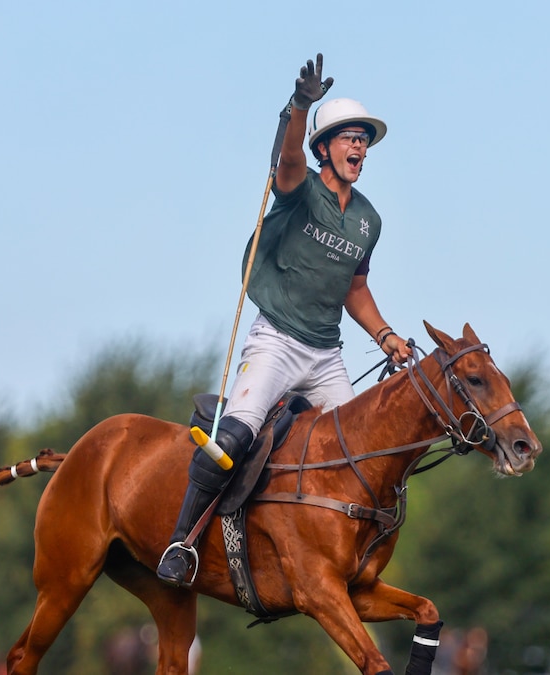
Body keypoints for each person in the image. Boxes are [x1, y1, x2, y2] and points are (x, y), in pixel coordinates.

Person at [156, 53, 411, 585]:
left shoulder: (368, 220)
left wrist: (384, 334)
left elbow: (355, 287)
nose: (359, 147)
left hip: (325, 356)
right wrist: (300, 106)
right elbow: (288, 158)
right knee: (231, 440)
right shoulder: (302, 186)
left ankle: (346, 559)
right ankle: (182, 544)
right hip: (276, 341)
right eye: (348, 137)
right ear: (325, 148)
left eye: (364, 139)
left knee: (363, 451)